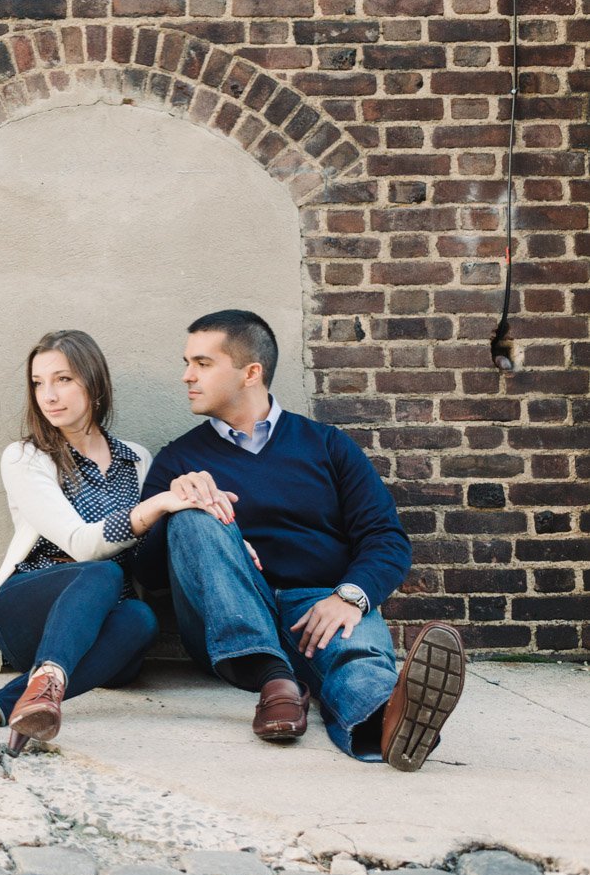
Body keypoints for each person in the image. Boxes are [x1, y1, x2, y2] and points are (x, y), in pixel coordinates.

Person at [133, 309, 466, 770]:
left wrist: (350, 597)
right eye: (187, 363)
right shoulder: (180, 460)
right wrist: (178, 505)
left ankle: (388, 720)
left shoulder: (327, 446)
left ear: (251, 373)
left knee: (358, 660)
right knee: (192, 517)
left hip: (318, 603)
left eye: (203, 364)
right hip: (228, 614)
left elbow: (385, 537)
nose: (187, 376)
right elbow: (147, 574)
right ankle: (272, 675)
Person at [0, 329, 225, 752]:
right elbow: (80, 544)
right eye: (38, 384)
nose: (48, 395)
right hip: (32, 606)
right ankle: (37, 682)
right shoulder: (26, 456)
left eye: (63, 380)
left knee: (142, 619)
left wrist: (193, 511)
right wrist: (157, 504)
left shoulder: (137, 459)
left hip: (106, 630)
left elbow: (150, 557)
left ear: (93, 384)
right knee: (102, 571)